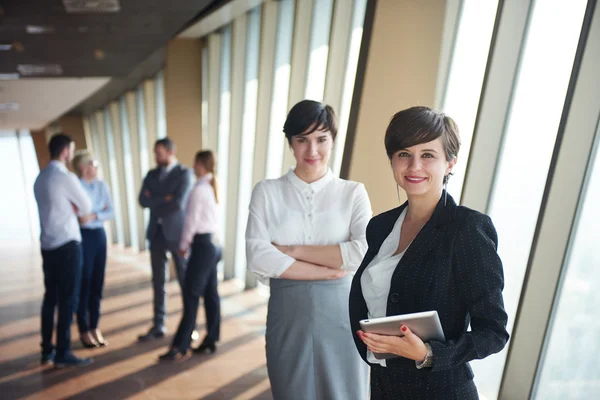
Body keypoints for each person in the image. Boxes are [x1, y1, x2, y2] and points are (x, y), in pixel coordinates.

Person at [350, 106, 510, 399]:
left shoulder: (467, 230)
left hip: (441, 391)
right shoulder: (380, 226)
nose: (414, 166)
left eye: (428, 155)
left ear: (450, 163)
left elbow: (494, 332)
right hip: (383, 387)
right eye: (404, 154)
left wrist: (428, 353)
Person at [246, 100, 372, 400]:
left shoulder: (352, 193)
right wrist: (327, 270)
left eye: (321, 139)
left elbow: (363, 251)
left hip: (343, 312)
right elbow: (257, 255)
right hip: (288, 314)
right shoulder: (267, 192)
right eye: (302, 140)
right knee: (291, 390)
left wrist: (291, 250)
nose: (312, 150)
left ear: (332, 141)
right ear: (290, 143)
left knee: (346, 392)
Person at [33, 133, 94, 368]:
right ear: (66, 152)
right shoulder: (65, 177)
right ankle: (63, 352)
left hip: (47, 245)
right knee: (69, 299)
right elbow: (87, 207)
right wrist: (76, 207)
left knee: (50, 299)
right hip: (68, 245)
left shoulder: (40, 178)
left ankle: (47, 350)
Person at [159, 150, 221, 360]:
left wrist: (183, 245)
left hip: (203, 246)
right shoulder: (213, 186)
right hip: (214, 244)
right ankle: (211, 339)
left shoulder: (199, 190)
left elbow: (191, 221)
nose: (193, 167)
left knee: (191, 295)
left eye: (195, 163)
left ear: (201, 164)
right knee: (211, 293)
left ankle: (180, 345)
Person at [138, 137, 192, 341]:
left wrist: (156, 199)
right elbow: (142, 200)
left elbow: (178, 202)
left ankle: (189, 326)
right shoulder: (151, 174)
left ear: (170, 152)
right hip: (156, 233)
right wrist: (164, 198)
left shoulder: (184, 173)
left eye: (158, 153)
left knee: (184, 280)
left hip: (177, 235)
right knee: (158, 282)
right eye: (154, 152)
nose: (155, 156)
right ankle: (158, 325)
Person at [71, 150, 114, 348]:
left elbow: (110, 210)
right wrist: (98, 211)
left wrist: (94, 215)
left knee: (97, 282)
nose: (96, 167)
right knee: (84, 282)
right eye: (92, 163)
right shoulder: (75, 186)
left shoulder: (102, 185)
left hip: (99, 235)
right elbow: (77, 214)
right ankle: (83, 329)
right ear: (83, 166)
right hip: (83, 236)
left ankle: (95, 326)